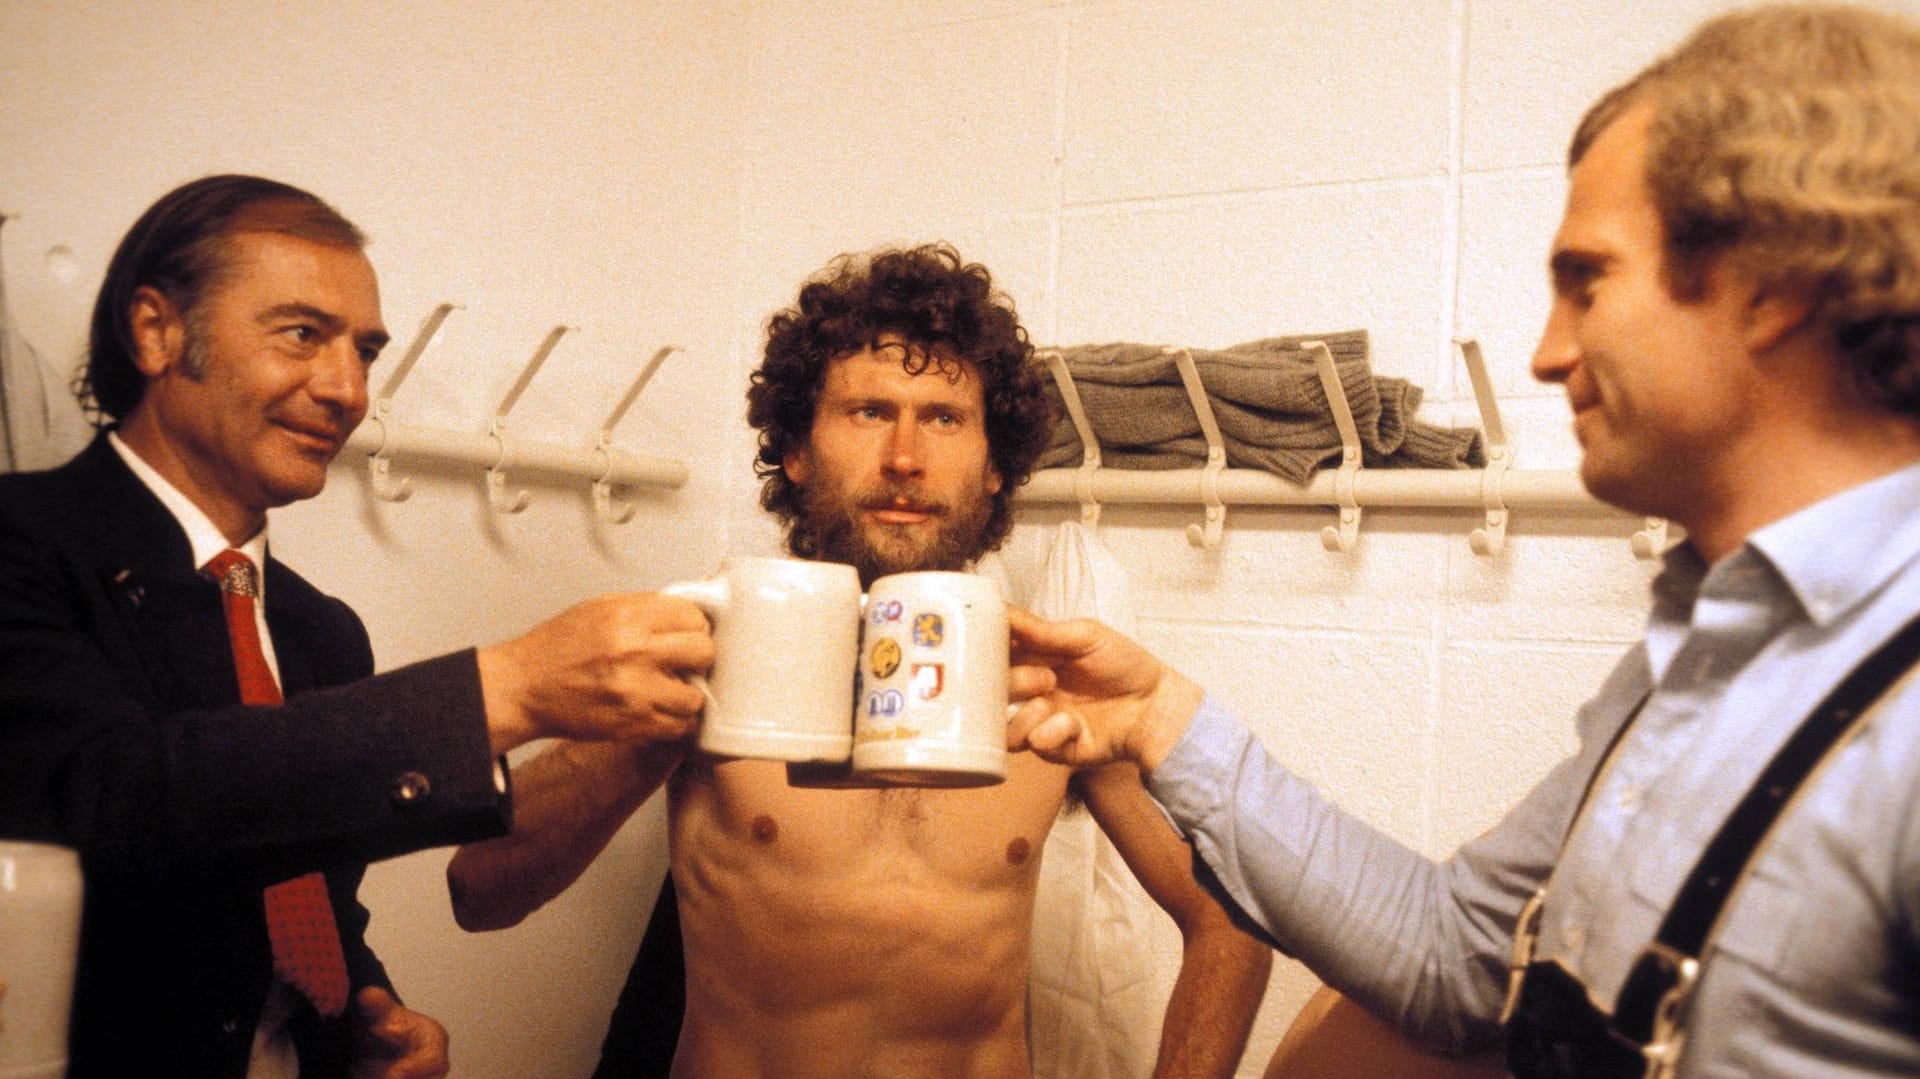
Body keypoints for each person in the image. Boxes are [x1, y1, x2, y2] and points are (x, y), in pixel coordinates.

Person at [1005, 5, 1920, 1077]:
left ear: (1771, 284)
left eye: (1588, 281)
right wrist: (1162, 717)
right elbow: (1454, 957)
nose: (1546, 351)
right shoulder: (1699, 655)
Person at [447, 243, 1274, 1078]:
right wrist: (663, 728)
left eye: (945, 418)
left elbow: (1233, 922)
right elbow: (481, 889)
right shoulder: (707, 647)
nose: (905, 458)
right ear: (797, 451)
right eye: (868, 412)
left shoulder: (1045, 684)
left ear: (995, 468)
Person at [0, 174, 715, 1079]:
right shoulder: (22, 545)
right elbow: (117, 800)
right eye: (302, 334)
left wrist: (356, 1004)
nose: (346, 388)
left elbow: (287, 874)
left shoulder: (316, 629)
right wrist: (508, 687)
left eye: (366, 350)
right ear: (157, 332)